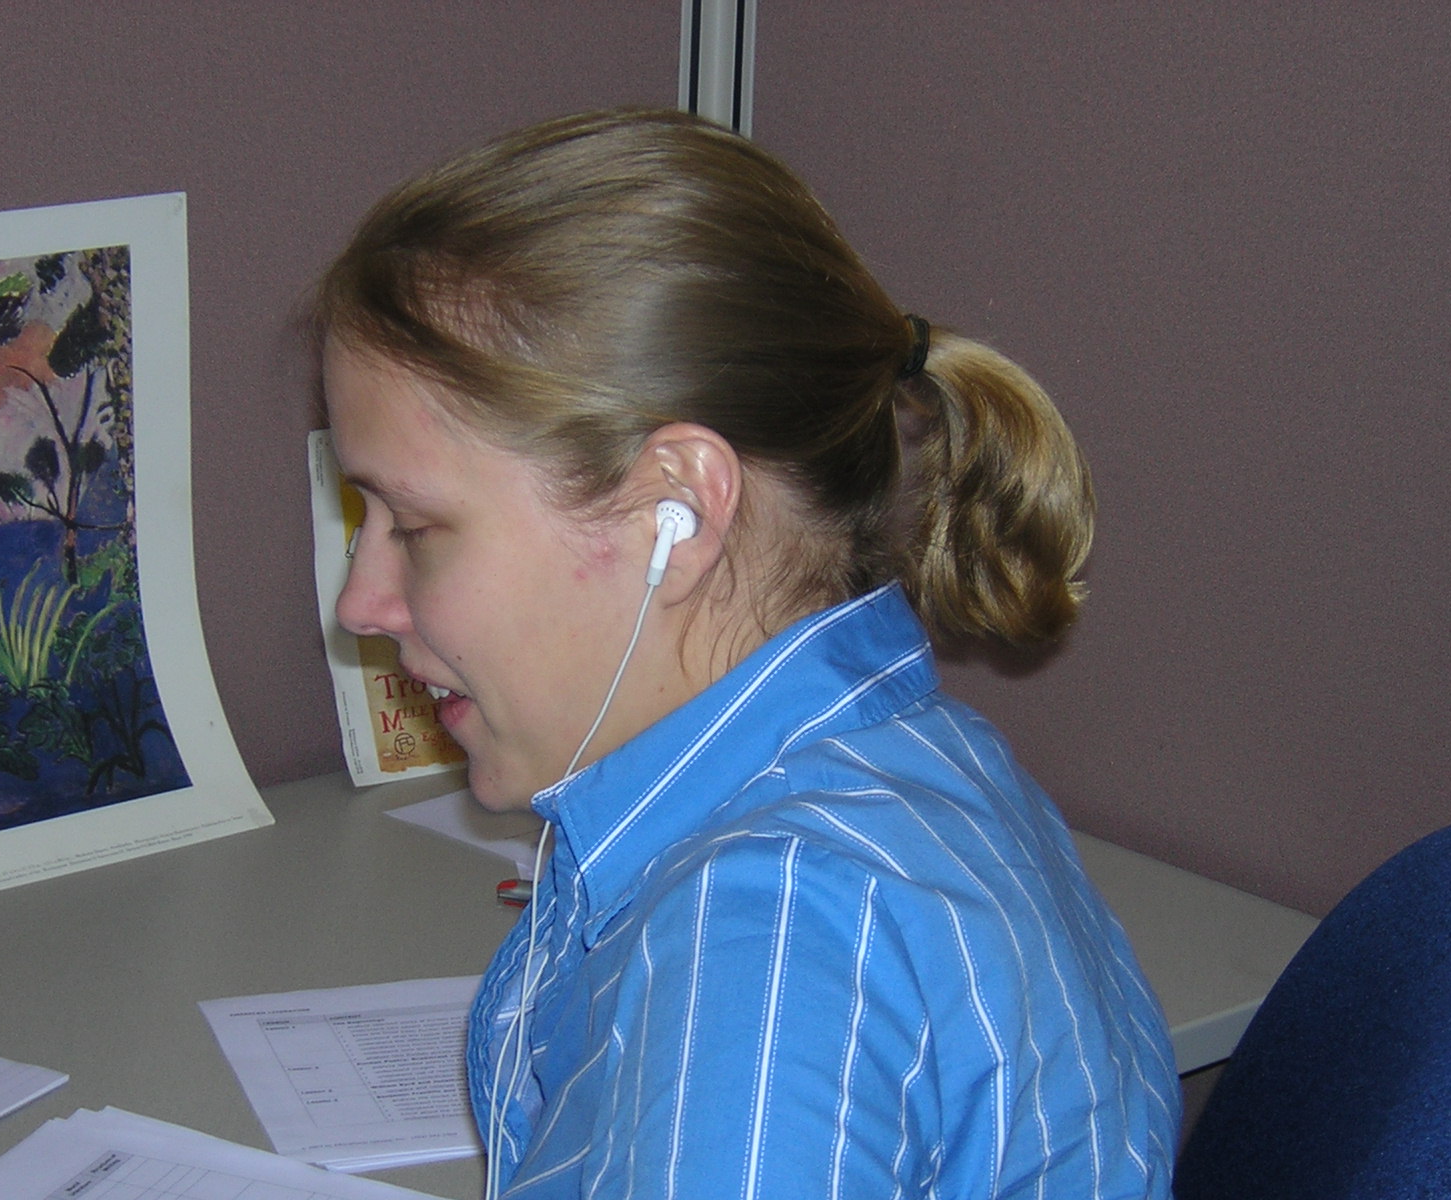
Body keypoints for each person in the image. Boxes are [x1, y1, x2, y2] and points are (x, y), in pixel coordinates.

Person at [316, 108, 1180, 1199]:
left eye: (417, 525)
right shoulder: (915, 760)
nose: (362, 602)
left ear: (675, 508)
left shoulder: (769, 935)